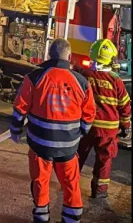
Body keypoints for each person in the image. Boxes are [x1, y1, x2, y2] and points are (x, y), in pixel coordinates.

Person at [10, 39, 96, 223]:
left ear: (49, 55)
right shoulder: (81, 82)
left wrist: (15, 131)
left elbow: (20, 108)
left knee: (41, 182)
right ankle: (72, 218)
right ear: (70, 57)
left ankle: (42, 217)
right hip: (68, 148)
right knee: (71, 184)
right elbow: (89, 115)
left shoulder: (34, 77)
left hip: (40, 146)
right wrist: (78, 134)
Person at [77, 39, 131, 199]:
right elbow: (125, 106)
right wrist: (126, 125)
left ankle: (70, 183)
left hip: (86, 126)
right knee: (104, 161)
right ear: (111, 59)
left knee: (78, 156)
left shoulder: (84, 75)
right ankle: (99, 191)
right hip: (108, 130)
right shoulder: (116, 81)